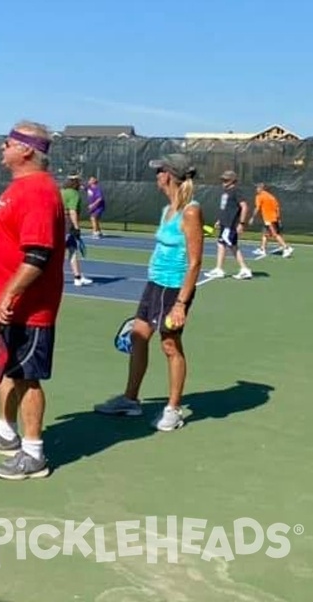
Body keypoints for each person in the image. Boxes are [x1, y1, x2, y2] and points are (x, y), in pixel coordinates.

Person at [0, 121, 66, 481]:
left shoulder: (38, 191)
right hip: (7, 307)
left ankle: (34, 453)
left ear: (25, 150)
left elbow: (38, 255)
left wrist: (8, 293)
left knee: (28, 379)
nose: (1, 148)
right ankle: (7, 436)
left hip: (28, 309)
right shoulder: (20, 188)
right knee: (7, 369)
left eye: (7, 143)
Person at [95, 153, 204, 431]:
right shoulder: (166, 209)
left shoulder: (191, 211)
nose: (157, 175)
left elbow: (194, 263)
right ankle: (130, 400)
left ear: (168, 176)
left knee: (170, 346)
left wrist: (180, 304)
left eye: (160, 171)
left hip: (175, 289)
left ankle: (174, 409)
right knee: (139, 336)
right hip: (154, 284)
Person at [205, 170, 252, 280]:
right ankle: (219, 269)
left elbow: (244, 206)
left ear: (233, 180)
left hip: (230, 225)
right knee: (222, 244)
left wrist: (241, 223)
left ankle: (244, 269)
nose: (223, 182)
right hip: (224, 223)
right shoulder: (226, 192)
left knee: (231, 246)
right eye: (223, 179)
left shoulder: (236, 191)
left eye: (226, 180)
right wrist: (219, 220)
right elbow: (226, 209)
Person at [61, 175, 94, 286]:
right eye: (79, 181)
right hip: (67, 224)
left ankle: (78, 277)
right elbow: (72, 211)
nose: (80, 183)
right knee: (71, 250)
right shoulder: (74, 194)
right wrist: (76, 227)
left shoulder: (62, 192)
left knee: (70, 250)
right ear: (75, 182)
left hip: (57, 223)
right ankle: (77, 278)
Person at [249, 183, 294, 259]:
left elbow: (257, 208)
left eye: (257, 188)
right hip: (273, 218)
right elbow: (277, 208)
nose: (256, 189)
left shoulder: (259, 196)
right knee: (265, 234)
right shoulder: (271, 197)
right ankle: (262, 249)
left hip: (268, 218)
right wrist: (278, 218)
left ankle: (286, 248)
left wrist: (252, 217)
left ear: (261, 188)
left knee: (275, 234)